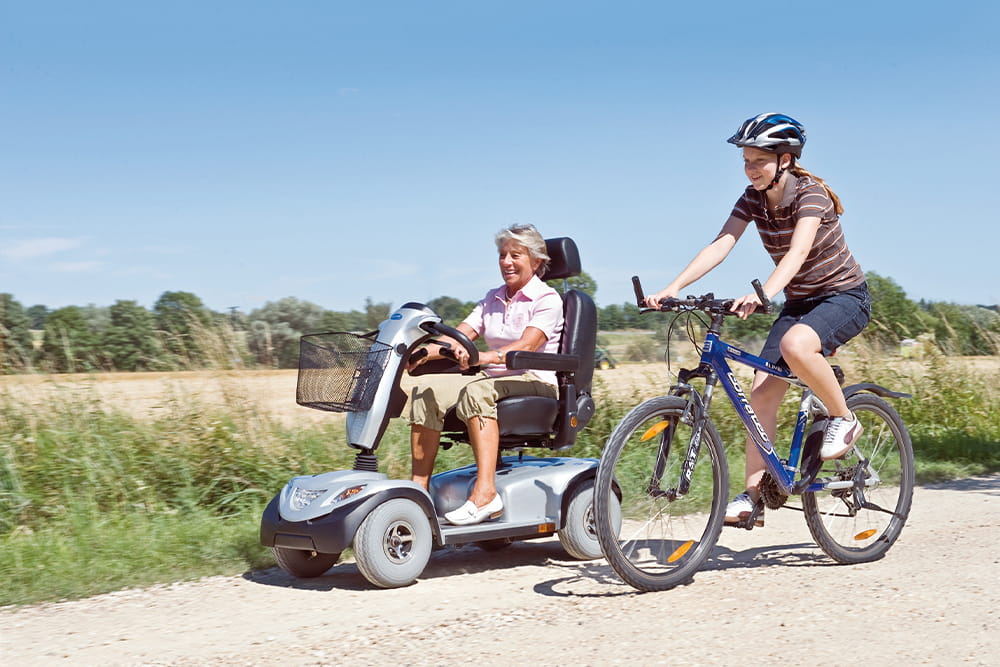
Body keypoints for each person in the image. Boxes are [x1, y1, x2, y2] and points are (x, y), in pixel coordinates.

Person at [644, 112, 871, 527]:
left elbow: (798, 253)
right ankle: (753, 497)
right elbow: (721, 244)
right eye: (746, 162)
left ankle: (844, 418)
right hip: (801, 303)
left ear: (785, 159)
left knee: (796, 346)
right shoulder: (752, 198)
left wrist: (765, 291)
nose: (750, 170)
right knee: (762, 390)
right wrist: (673, 286)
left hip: (844, 297)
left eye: (758, 162)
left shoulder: (811, 195)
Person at [407, 223, 564, 526]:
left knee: (476, 391)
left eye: (515, 255)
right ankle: (418, 494)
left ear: (537, 261)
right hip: (496, 380)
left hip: (535, 381)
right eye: (502, 255)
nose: (506, 262)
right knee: (425, 391)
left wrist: (480, 357)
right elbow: (460, 335)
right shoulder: (492, 298)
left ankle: (486, 494)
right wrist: (426, 351)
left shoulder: (548, 300)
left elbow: (527, 346)